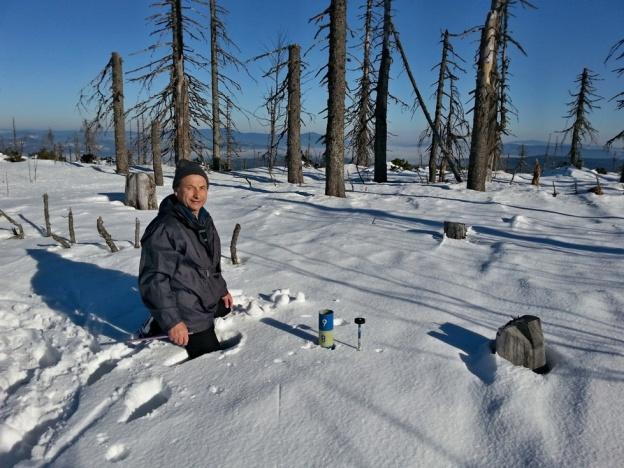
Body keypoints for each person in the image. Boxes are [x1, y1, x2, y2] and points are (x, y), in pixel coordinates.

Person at [138, 160, 233, 359]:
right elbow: (154, 279)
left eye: (202, 188)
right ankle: (159, 322)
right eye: (190, 188)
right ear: (176, 191)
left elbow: (211, 263)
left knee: (224, 307)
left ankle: (162, 318)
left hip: (199, 292)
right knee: (211, 355)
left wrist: (221, 289)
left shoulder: (204, 219)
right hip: (184, 303)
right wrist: (173, 321)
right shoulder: (165, 228)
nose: (197, 194)